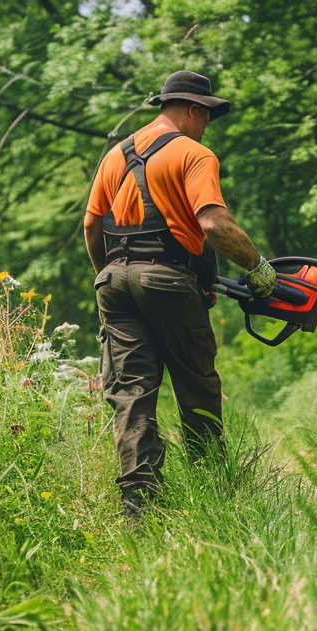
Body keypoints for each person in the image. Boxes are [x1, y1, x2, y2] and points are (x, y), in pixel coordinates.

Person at [83, 70, 277, 519]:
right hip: (168, 281)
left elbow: (92, 227)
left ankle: (139, 505)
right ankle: (214, 494)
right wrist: (257, 267)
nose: (206, 124)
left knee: (131, 393)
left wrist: (108, 276)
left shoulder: (116, 155)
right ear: (194, 109)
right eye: (206, 115)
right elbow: (213, 224)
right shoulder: (194, 154)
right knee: (196, 387)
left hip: (113, 280)